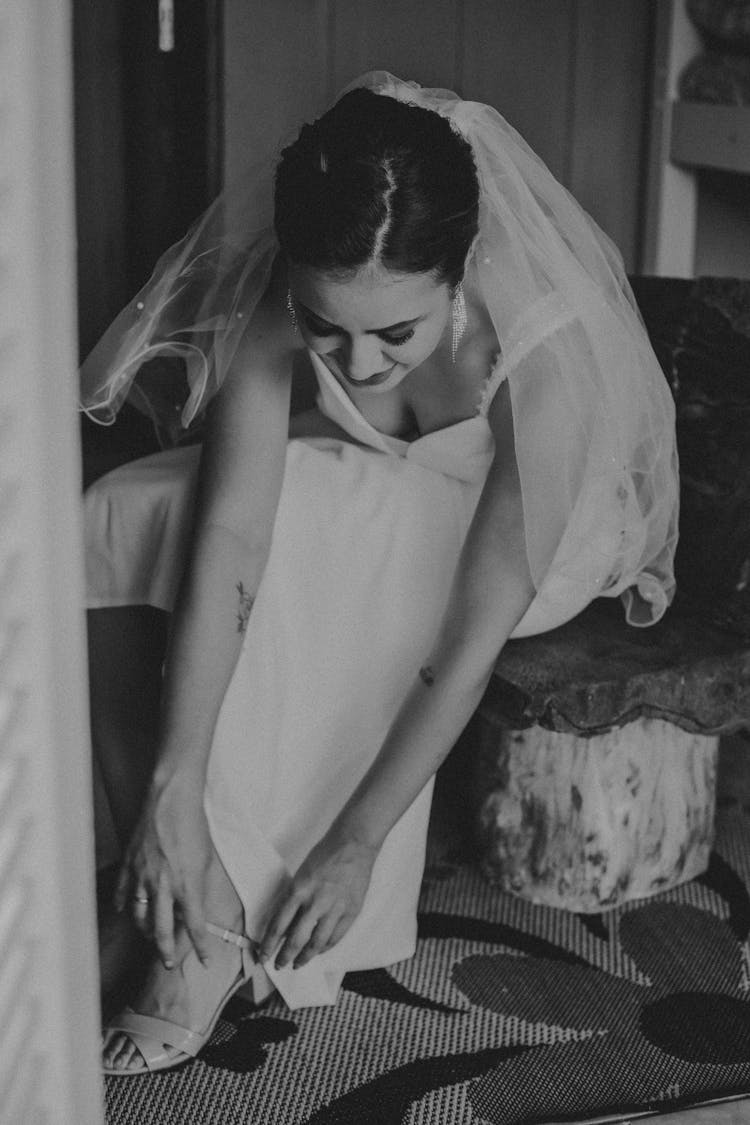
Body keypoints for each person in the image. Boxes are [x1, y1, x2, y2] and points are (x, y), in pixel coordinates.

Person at [81, 72, 679, 1075]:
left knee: (324, 522)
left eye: (396, 334)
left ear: (458, 274)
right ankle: (154, 877)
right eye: (328, 329)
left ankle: (219, 922)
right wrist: (170, 789)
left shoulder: (538, 362)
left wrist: (358, 839)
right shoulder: (288, 296)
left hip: (532, 534)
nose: (357, 367)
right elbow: (229, 533)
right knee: (115, 509)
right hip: (382, 476)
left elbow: (469, 640)